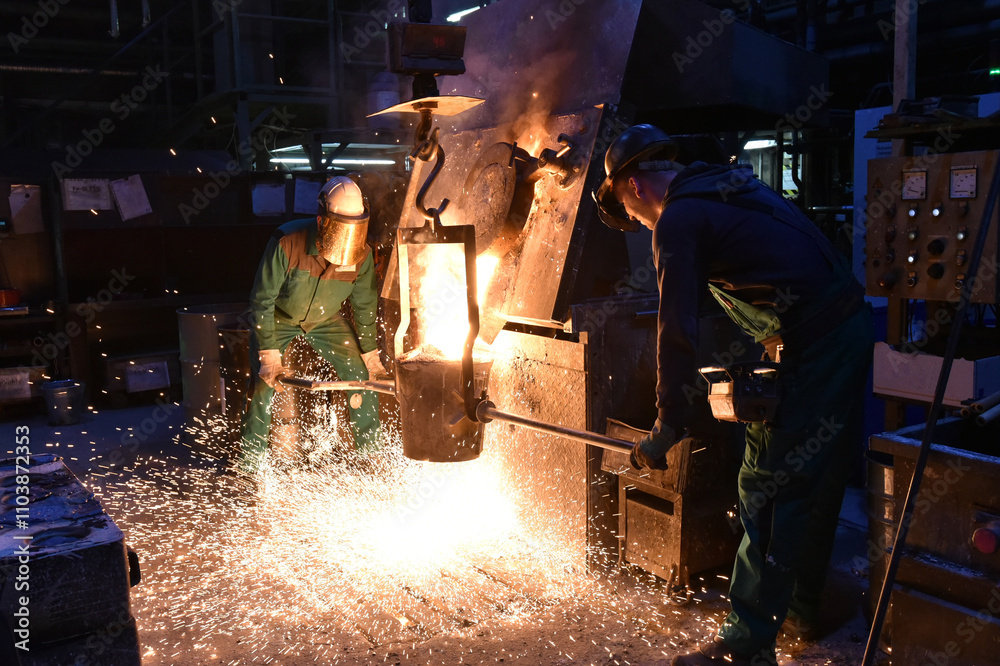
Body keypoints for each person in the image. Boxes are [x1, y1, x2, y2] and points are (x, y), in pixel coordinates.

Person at [594, 125, 873, 666]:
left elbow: (675, 329)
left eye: (629, 214)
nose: (635, 222)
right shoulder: (723, 183)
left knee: (767, 485)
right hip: (845, 329)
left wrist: (668, 424)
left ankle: (745, 646)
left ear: (633, 187)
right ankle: (798, 611)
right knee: (815, 475)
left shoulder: (677, 218)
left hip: (813, 345)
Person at [239, 175, 387, 477]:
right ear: (322, 221)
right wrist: (269, 354)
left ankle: (371, 457)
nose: (347, 239)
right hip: (279, 317)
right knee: (264, 385)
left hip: (324, 319)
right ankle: (250, 467)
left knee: (361, 375)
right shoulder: (286, 242)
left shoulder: (362, 256)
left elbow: (364, 305)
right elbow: (262, 300)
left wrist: (370, 353)